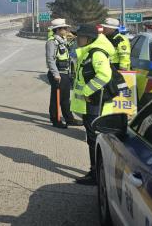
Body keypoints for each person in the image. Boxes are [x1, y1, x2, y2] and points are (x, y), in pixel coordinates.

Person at [70, 24, 115, 185]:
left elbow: (104, 75)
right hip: (90, 104)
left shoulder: (96, 53)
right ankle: (95, 172)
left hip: (94, 103)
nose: (77, 39)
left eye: (80, 37)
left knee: (94, 139)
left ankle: (96, 175)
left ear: (89, 38)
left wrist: (86, 91)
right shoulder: (88, 52)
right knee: (92, 139)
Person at [45, 19, 82, 128]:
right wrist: (55, 74)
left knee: (65, 98)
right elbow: (50, 59)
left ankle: (69, 119)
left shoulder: (63, 40)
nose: (66, 30)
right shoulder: (52, 42)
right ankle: (55, 120)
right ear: (58, 30)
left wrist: (75, 37)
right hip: (58, 74)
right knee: (56, 99)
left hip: (65, 73)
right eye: (64, 28)